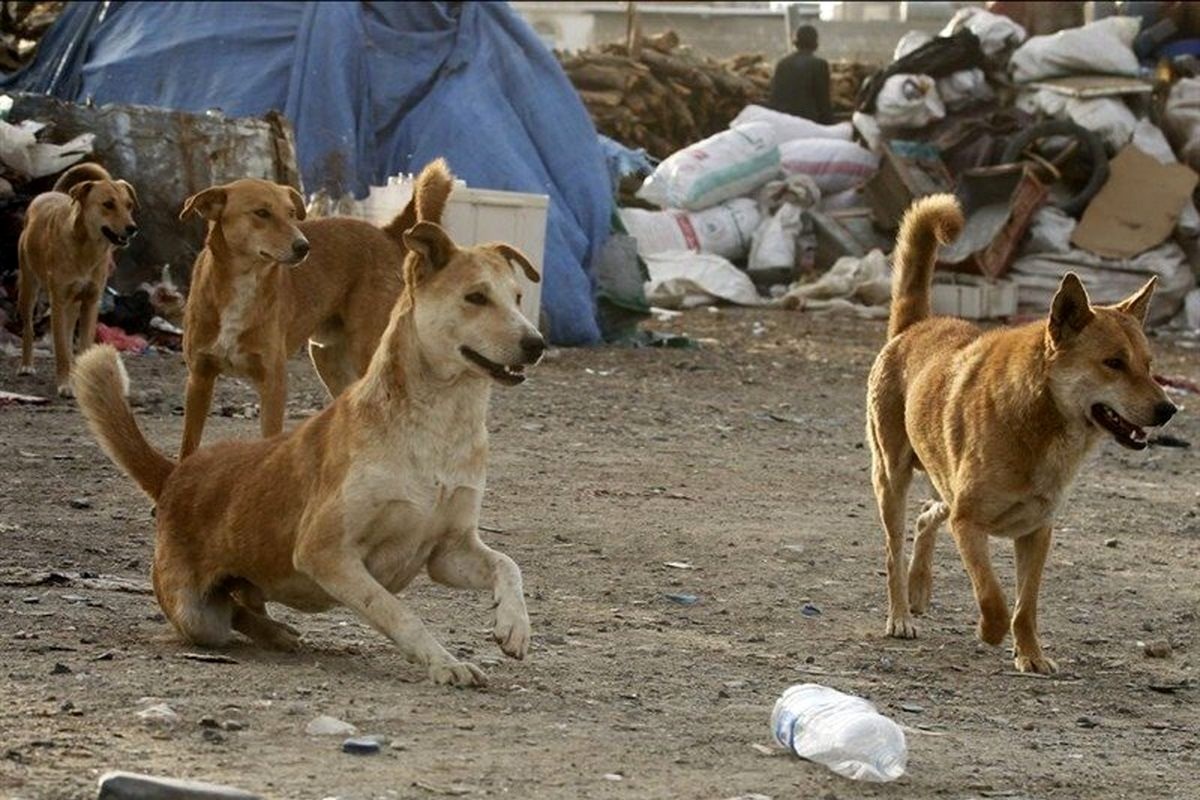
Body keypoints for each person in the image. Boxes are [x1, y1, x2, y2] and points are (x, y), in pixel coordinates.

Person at [768, 24, 832, 124]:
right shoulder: (819, 65)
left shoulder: (782, 64)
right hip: (808, 122)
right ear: (815, 44)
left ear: (796, 43)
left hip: (783, 121)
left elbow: (774, 98)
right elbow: (823, 101)